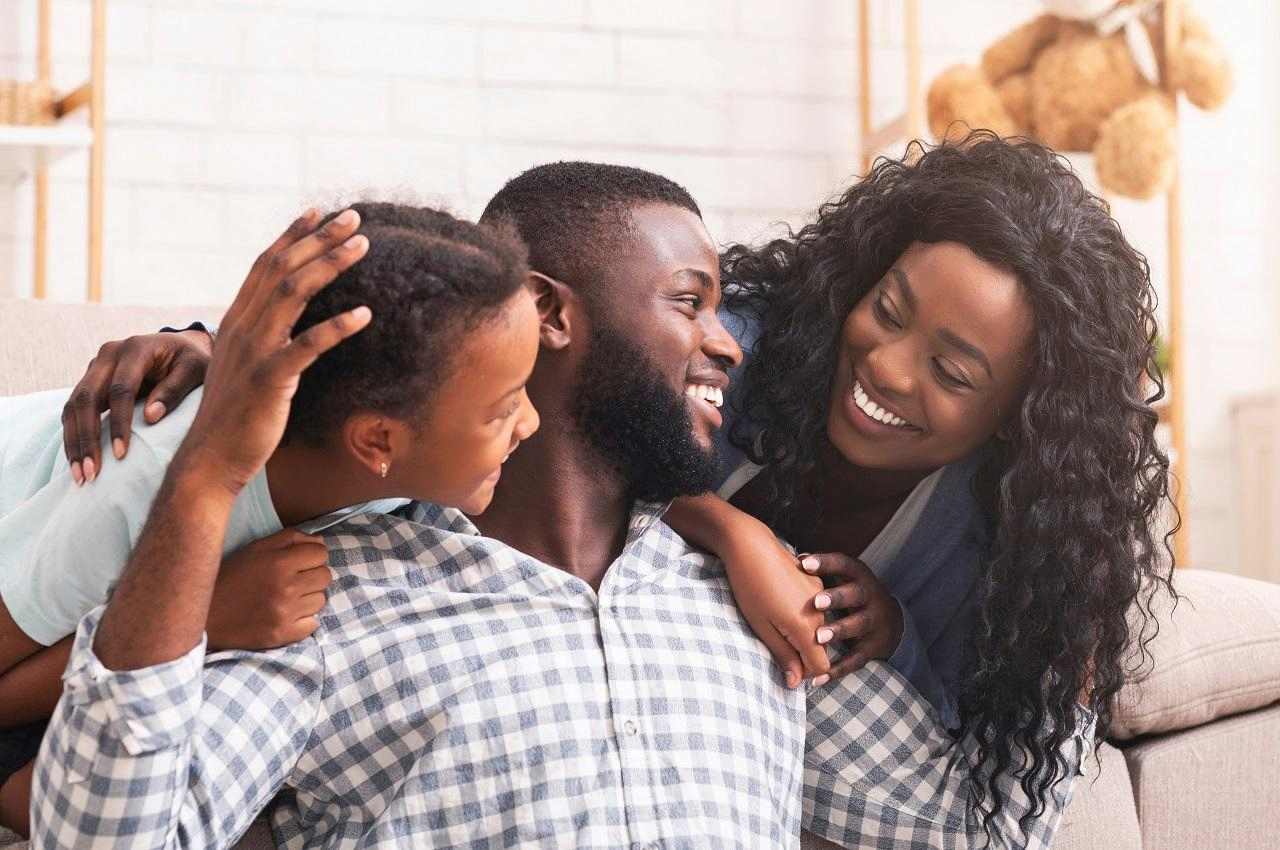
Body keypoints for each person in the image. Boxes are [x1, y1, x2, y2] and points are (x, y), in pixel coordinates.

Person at [32, 162, 1092, 849]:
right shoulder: (332, 595)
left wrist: (1082, 611)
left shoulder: (758, 610)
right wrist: (211, 450)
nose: (731, 341)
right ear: (546, 311)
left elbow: (968, 828)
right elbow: (109, 839)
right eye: (690, 303)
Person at [662, 134, 1174, 830]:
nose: (890, 368)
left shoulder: (1006, 544)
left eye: (953, 374)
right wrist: (727, 531)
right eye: (889, 311)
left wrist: (896, 632)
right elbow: (573, 456)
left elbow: (979, 780)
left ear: (1015, 417)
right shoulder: (741, 352)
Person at [0, 202, 541, 835]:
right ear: (377, 442)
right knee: (52, 802)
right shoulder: (141, 480)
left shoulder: (380, 458)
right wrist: (208, 620)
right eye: (503, 410)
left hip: (90, 637)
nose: (531, 423)